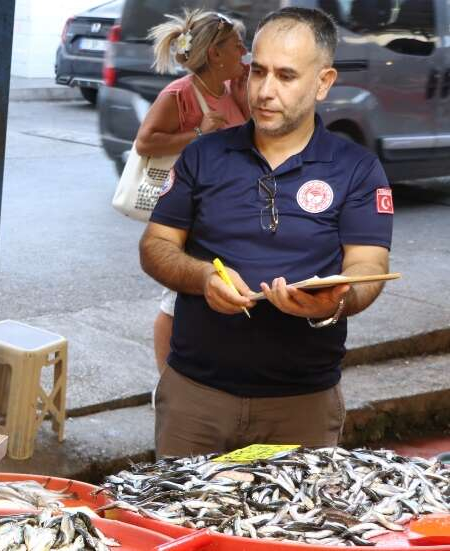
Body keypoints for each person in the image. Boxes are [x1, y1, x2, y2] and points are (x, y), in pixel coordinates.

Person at [139, 7, 393, 456]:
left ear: (323, 82)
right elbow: (156, 245)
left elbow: (369, 264)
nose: (264, 90)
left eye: (286, 76)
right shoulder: (204, 155)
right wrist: (203, 277)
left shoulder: (357, 169)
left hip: (302, 404)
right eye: (258, 71)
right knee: (182, 504)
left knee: (291, 507)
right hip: (196, 399)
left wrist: (336, 301)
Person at [135, 9, 250, 377]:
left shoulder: (229, 90)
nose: (244, 51)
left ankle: (196, 372)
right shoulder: (180, 94)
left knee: (211, 289)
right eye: (237, 45)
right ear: (215, 54)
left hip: (226, 208)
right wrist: (199, 133)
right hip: (190, 209)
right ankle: (166, 382)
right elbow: (144, 142)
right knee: (175, 298)